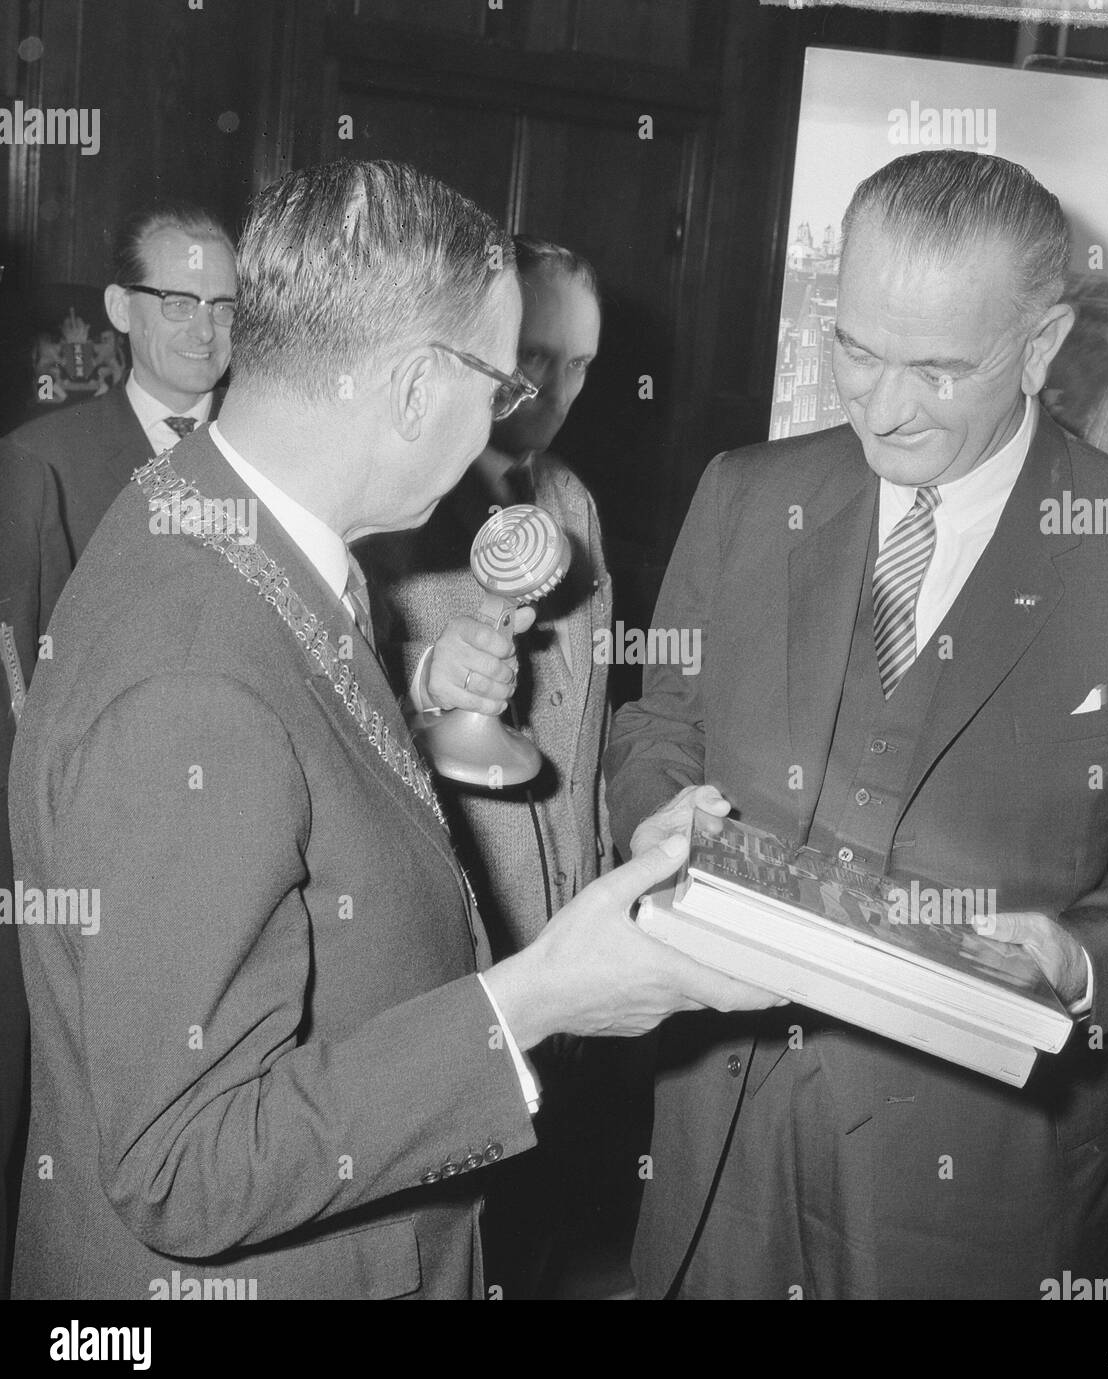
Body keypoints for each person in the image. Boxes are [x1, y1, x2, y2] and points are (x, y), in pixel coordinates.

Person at [8, 158, 776, 1300]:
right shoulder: (192, 676)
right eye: (502, 388)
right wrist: (539, 999)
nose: (504, 418)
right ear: (418, 389)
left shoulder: (233, 523)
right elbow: (183, 1166)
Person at [605, 150, 1108, 1299]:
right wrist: (650, 811)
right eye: (854, 347)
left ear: (1045, 347)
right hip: (722, 1118)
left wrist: (1082, 954)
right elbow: (661, 720)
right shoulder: (746, 494)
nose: (880, 403)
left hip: (985, 1172)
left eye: (937, 369)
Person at [360, 237, 636, 1298]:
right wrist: (429, 679)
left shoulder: (570, 500)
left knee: (543, 1237)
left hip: (567, 939)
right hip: (451, 964)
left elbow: (588, 722)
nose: (556, 390)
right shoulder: (398, 512)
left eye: (582, 364)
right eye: (535, 356)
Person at [0, 200, 235, 1294]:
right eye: (177, 300)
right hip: (91, 878)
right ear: (118, 308)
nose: (204, 327)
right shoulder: (44, 462)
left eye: (226, 304)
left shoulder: (263, 460)